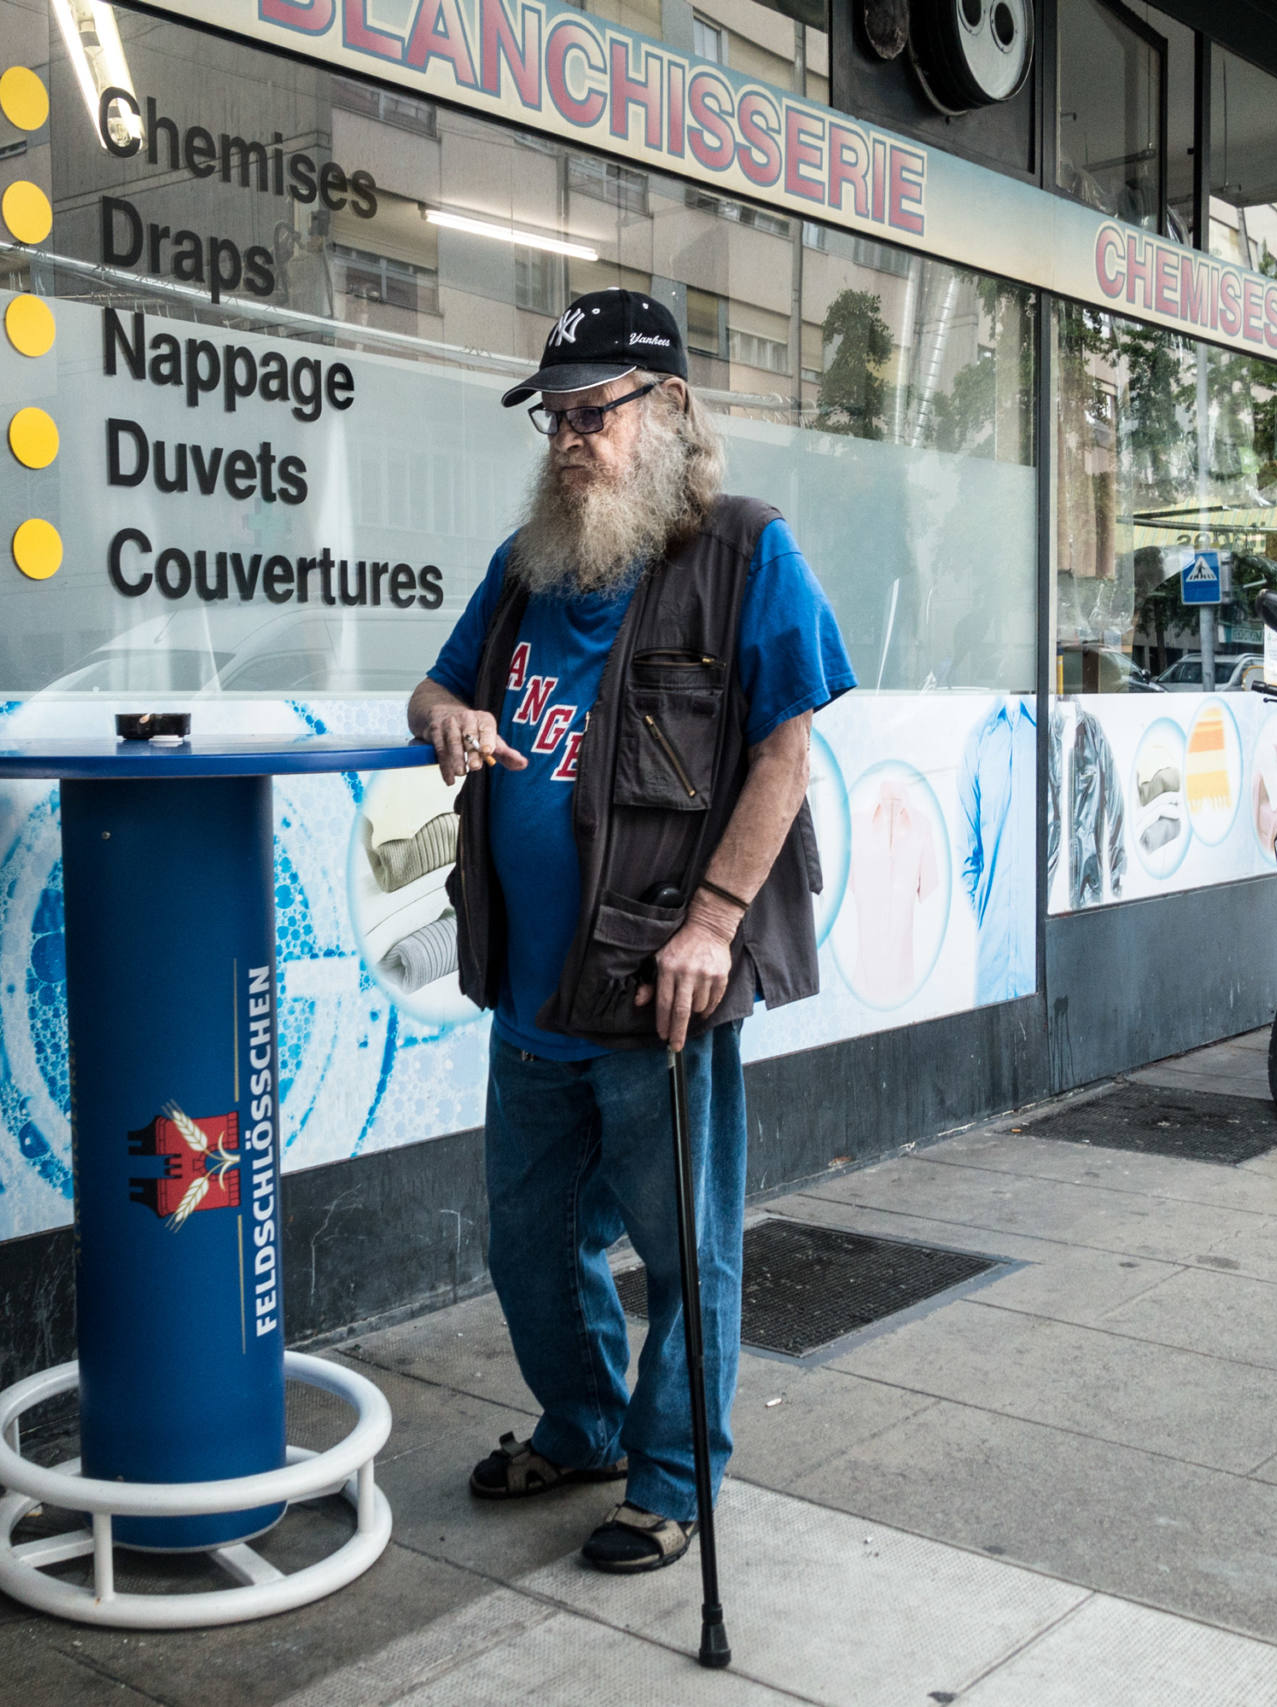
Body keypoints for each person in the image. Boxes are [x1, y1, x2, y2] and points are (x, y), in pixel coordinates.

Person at [404, 288, 853, 1573]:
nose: (566, 438)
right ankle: (586, 1421)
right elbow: (439, 679)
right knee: (527, 1244)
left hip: (658, 981)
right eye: (551, 415)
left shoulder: (743, 551)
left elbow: (786, 751)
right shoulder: (523, 569)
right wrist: (442, 714)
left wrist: (714, 922)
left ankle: (668, 1479)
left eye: (592, 410)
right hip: (530, 993)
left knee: (680, 1248)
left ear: (666, 410)